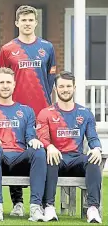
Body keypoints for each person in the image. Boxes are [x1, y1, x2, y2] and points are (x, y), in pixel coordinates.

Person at [0, 5, 57, 215]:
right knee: (15, 151)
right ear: (17, 23)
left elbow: (50, 79)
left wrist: (47, 106)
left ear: (35, 22)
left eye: (30, 20)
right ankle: (17, 202)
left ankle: (41, 202)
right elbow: (3, 79)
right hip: (15, 112)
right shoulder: (7, 49)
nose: (27, 23)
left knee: (40, 154)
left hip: (41, 110)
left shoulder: (47, 47)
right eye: (23, 20)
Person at [0, 67, 46, 222]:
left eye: (8, 82)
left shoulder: (26, 111)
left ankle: (35, 207)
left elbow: (29, 135)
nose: (5, 86)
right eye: (1, 82)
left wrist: (33, 140)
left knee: (39, 151)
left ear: (14, 85)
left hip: (20, 158)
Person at [37, 71, 103, 223]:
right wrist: (50, 147)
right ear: (56, 89)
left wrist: (96, 149)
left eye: (68, 86)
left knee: (93, 160)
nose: (65, 89)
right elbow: (42, 137)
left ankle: (93, 209)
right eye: (61, 86)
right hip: (57, 157)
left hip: (76, 158)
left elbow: (92, 137)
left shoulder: (85, 113)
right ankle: (49, 207)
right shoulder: (46, 113)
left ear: (74, 88)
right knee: (50, 159)